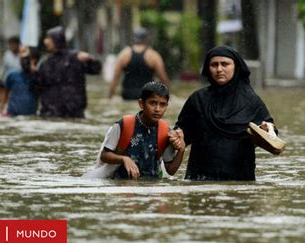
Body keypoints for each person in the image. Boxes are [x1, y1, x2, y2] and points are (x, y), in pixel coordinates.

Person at [172, 46, 278, 181]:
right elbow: (182, 133)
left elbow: (272, 135)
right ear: (208, 68)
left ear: (236, 67)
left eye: (225, 64)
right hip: (199, 180)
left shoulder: (251, 101)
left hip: (240, 183)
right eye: (214, 65)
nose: (219, 69)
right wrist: (177, 136)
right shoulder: (198, 99)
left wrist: (265, 129)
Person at [85, 82, 185, 179]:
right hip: (121, 186)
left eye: (162, 104)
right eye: (152, 103)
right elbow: (104, 155)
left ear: (167, 106)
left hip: (152, 188)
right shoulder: (123, 125)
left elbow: (170, 170)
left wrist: (181, 150)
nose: (157, 109)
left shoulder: (165, 132)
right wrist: (124, 159)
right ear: (141, 103)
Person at [35, 26, 101, 118]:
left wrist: (90, 59)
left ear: (57, 39)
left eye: (49, 38)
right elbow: (37, 86)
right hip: (50, 112)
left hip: (73, 112)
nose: (46, 41)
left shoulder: (75, 57)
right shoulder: (45, 63)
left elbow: (96, 70)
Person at [108, 27, 170, 100]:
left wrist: (110, 97)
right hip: (147, 96)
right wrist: (169, 96)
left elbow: (115, 79)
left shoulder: (124, 55)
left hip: (128, 95)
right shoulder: (154, 56)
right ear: (147, 39)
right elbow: (163, 79)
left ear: (134, 39)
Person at [0, 46, 40, 116]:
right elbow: (5, 91)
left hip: (30, 115)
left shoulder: (38, 77)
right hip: (12, 114)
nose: (24, 62)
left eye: (27, 59)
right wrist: (2, 108)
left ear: (33, 60)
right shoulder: (12, 75)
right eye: (22, 59)